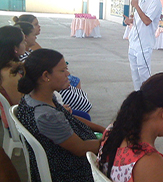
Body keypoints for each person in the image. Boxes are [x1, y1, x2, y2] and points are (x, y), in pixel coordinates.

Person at [17, 48, 103, 182]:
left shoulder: (34, 97)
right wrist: (113, 142)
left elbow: (69, 117)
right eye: (62, 70)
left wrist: (103, 130)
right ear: (46, 76)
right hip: (70, 172)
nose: (68, 74)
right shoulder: (46, 115)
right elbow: (80, 149)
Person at [13, 14, 81, 88]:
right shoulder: (25, 54)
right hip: (47, 82)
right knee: (74, 82)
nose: (39, 26)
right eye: (36, 24)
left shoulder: (29, 48)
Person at [123, 0, 162, 91]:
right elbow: (139, 20)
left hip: (144, 45)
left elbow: (147, 21)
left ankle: (148, 101)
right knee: (135, 75)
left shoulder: (155, 2)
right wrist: (130, 20)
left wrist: (136, 6)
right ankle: (138, 97)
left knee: (144, 75)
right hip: (133, 43)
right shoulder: (140, 0)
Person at [0, 26, 26, 128]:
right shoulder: (9, 73)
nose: (26, 45)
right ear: (15, 47)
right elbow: (21, 104)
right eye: (23, 42)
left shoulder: (8, 66)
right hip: (17, 122)